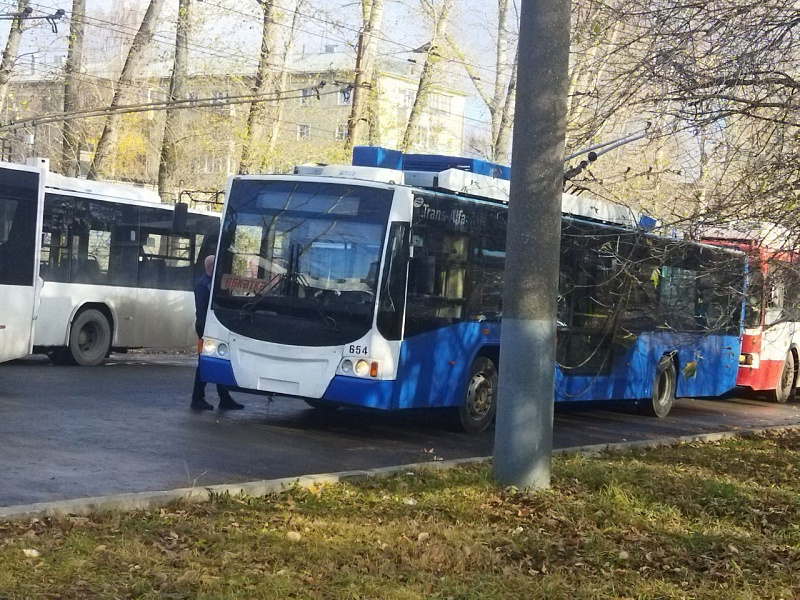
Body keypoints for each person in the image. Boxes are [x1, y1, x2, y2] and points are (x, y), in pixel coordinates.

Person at [191, 254, 243, 411]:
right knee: (204, 363)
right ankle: (197, 398)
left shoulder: (211, 284)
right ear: (209, 267)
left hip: (210, 326)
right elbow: (203, 309)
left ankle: (224, 397)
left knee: (218, 357)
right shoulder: (203, 285)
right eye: (216, 266)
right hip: (205, 327)